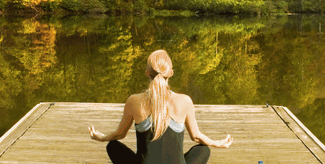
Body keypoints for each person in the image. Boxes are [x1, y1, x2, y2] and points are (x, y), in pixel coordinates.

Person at [89, 50, 234, 164]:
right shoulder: (184, 101)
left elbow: (119, 134)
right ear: (171, 73)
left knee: (112, 146)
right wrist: (217, 143)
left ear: (147, 73)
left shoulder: (134, 100)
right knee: (204, 150)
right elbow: (196, 136)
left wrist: (102, 137)